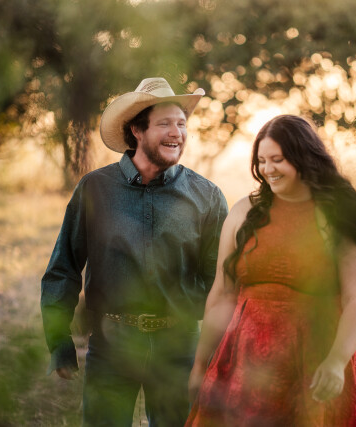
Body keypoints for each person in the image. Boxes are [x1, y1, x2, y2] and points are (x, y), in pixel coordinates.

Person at [40, 77, 229, 426]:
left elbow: (220, 281)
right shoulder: (94, 189)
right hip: (111, 345)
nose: (177, 133)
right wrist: (59, 341)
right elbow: (63, 267)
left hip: (179, 348)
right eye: (165, 123)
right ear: (137, 130)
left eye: (181, 123)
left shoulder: (208, 196)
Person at [185, 115, 356, 426]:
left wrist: (336, 361)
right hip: (242, 365)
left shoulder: (340, 215)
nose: (267, 169)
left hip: (314, 362)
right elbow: (222, 294)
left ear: (304, 157)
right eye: (261, 161)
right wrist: (201, 365)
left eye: (277, 160)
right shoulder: (244, 211)